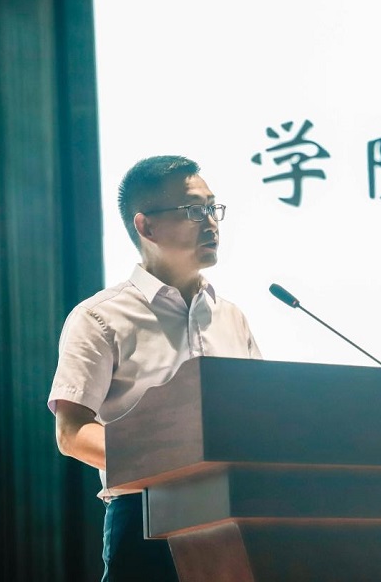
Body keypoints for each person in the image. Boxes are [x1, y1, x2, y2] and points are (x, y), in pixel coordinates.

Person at [47, 155, 261, 581]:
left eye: (212, 208)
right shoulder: (100, 317)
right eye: (193, 211)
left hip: (235, 514)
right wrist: (174, 462)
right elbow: (71, 433)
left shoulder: (231, 316)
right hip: (146, 517)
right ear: (146, 227)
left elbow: (259, 415)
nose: (211, 223)